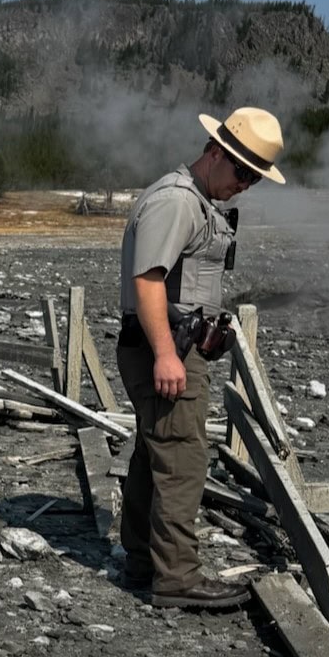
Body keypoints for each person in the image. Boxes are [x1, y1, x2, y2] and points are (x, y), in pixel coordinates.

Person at [117, 106, 285, 610]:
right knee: (184, 457)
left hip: (172, 343)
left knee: (157, 453)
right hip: (163, 347)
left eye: (254, 178)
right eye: (242, 172)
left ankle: (144, 562)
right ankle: (177, 579)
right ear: (215, 152)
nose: (246, 184)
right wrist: (168, 354)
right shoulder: (177, 201)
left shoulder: (197, 202)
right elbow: (147, 280)